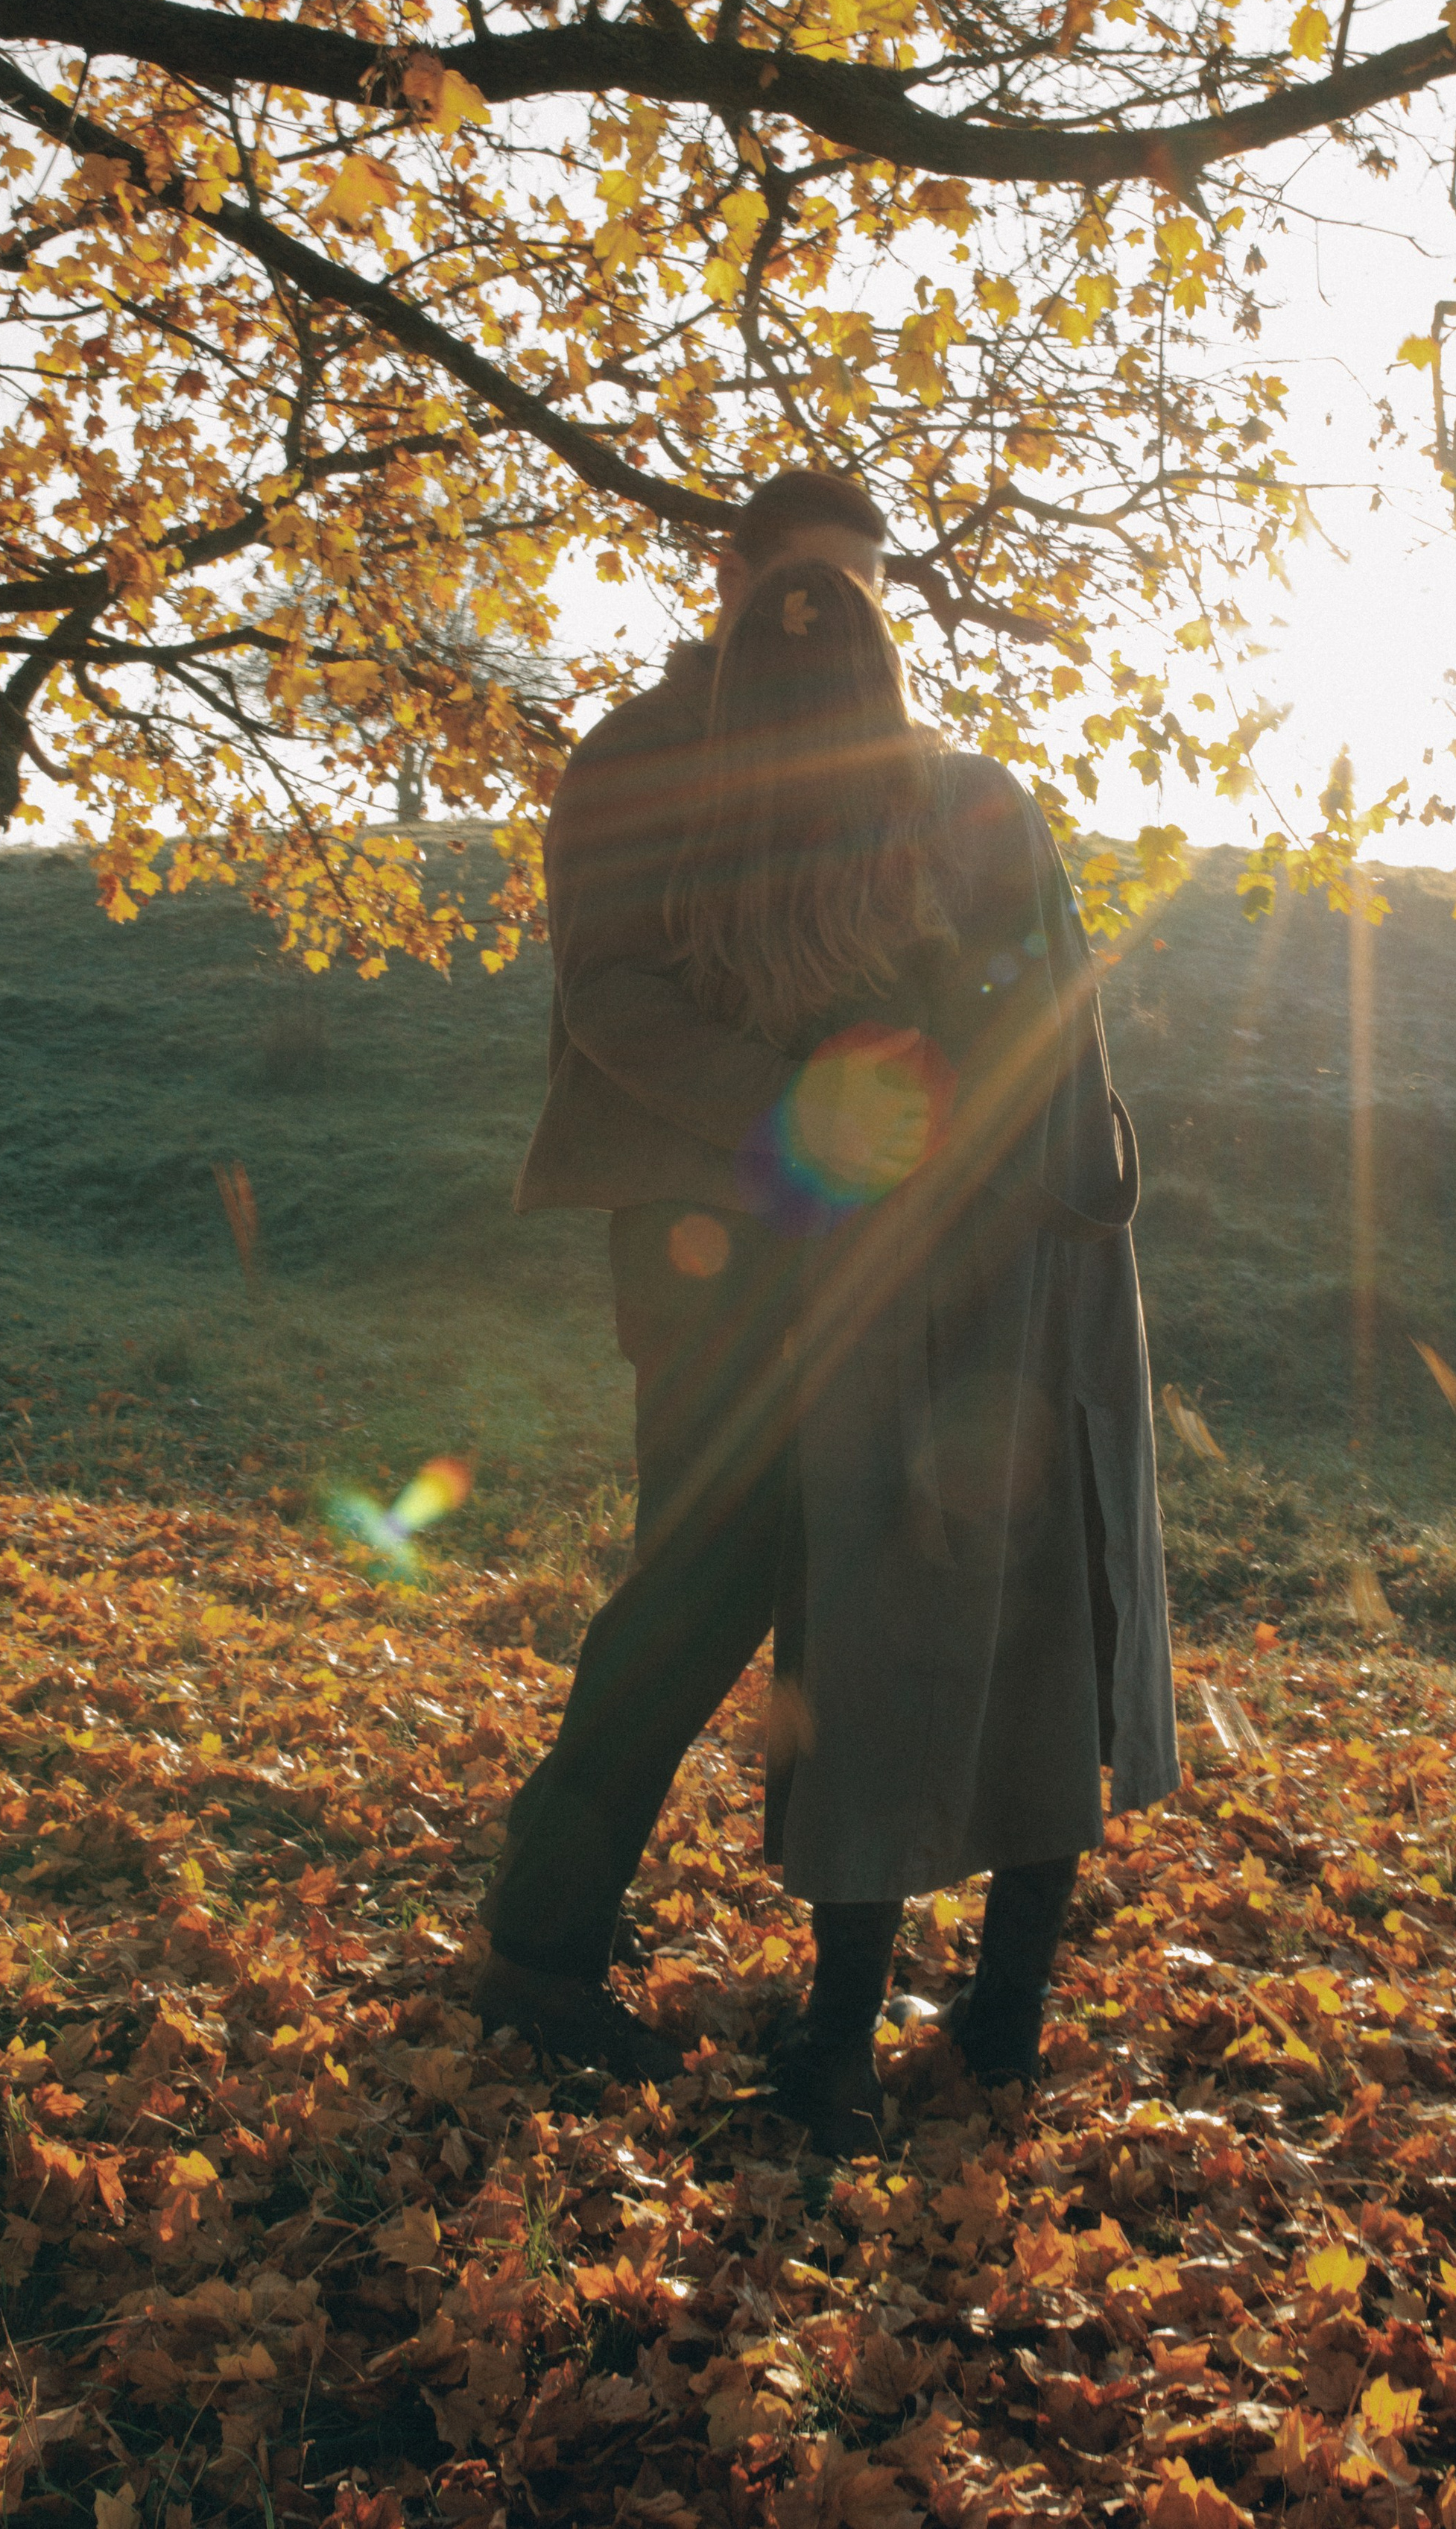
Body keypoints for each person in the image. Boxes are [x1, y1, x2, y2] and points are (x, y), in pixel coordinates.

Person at [475, 473, 919, 2079]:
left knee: (816, 1571)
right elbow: (610, 997)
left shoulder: (854, 757)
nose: (820, 615)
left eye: (852, 590)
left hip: (833, 1234)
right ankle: (538, 1943)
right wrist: (795, 1109)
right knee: (706, 1576)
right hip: (695, 1225)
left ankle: (813, 1973)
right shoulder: (639, 753)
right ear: (726, 577)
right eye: (798, 582)